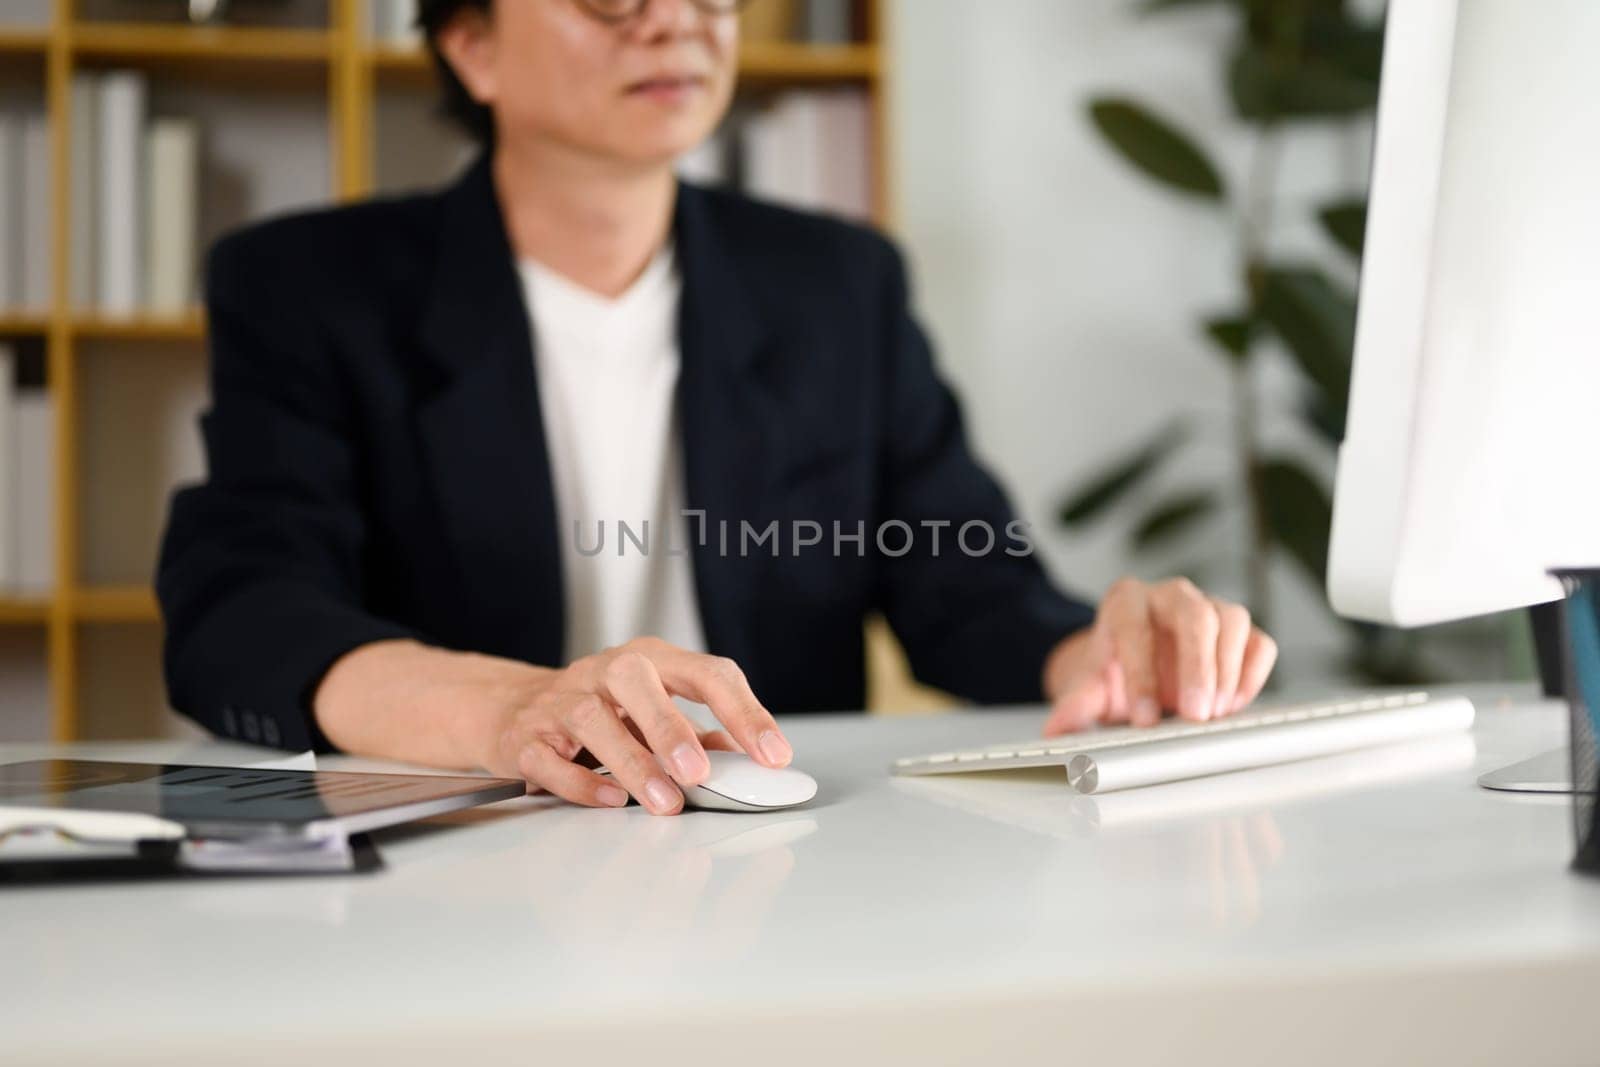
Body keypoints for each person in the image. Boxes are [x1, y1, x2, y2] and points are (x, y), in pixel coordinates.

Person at [156, 0, 1278, 817]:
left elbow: (960, 576)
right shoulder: (310, 284)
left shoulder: (836, 281)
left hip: (779, 849)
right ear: (472, 44)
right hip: (468, 848)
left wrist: (1099, 654)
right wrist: (519, 711)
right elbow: (244, 611)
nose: (675, 22)